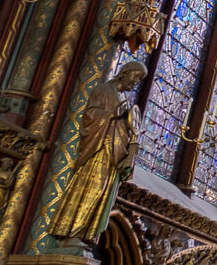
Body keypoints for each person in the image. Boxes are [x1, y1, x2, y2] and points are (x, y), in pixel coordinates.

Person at [50, 62, 146, 246]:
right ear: (125, 73)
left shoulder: (123, 97)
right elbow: (91, 114)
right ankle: (72, 232)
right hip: (98, 150)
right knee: (88, 190)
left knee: (101, 195)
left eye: (140, 79)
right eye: (136, 76)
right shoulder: (104, 90)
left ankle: (85, 233)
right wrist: (113, 116)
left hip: (114, 155)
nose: (136, 82)